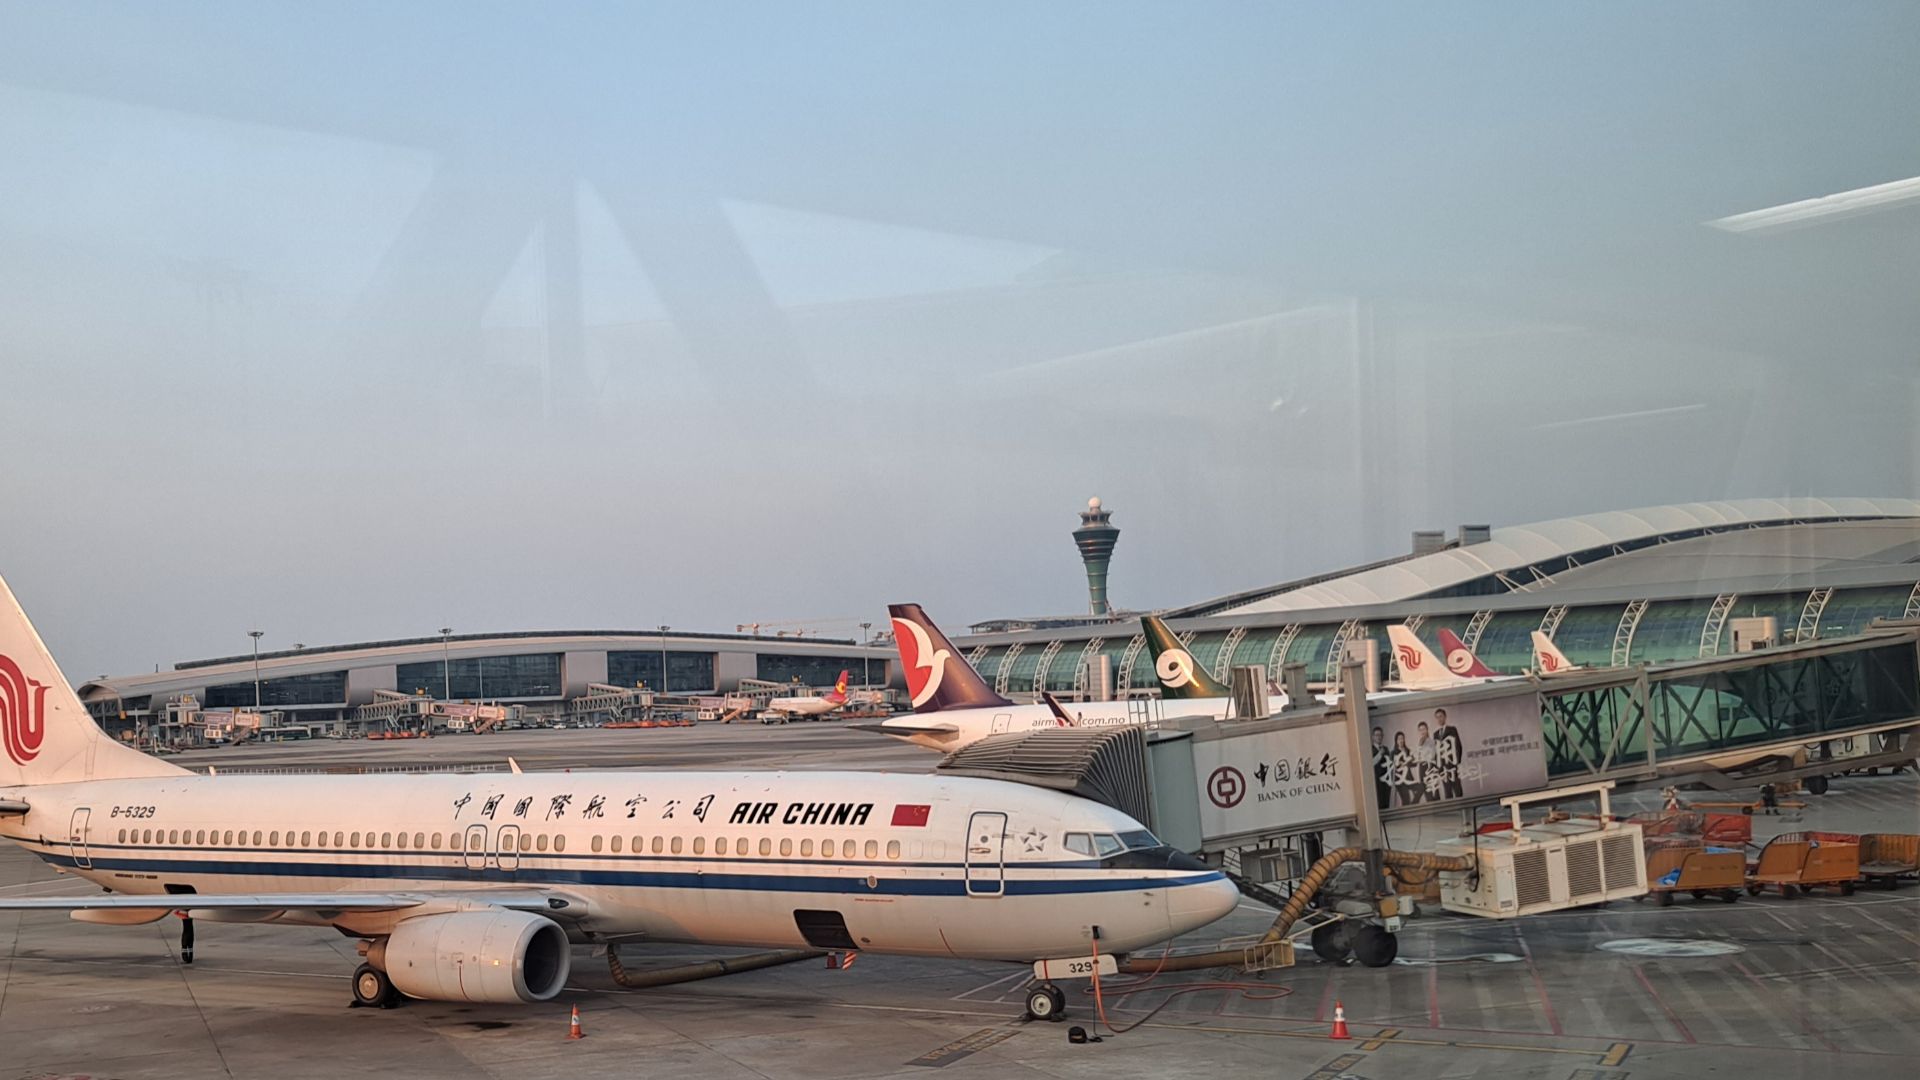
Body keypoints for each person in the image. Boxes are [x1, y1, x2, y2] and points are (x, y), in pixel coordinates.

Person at [1432, 707, 1464, 800]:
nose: (1439, 719)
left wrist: (1456, 762)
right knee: (1447, 790)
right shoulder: (1435, 734)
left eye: (1441, 716)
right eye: (1437, 717)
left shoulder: (1452, 729)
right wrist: (1438, 766)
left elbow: (1458, 746)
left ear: (1445, 717)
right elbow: (1436, 752)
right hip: (1442, 767)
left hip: (1452, 764)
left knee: (1457, 788)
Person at [1390, 731, 1420, 807]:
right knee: (1406, 800)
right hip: (1399, 780)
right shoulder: (1393, 753)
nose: (1401, 740)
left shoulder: (1408, 750)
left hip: (1409, 778)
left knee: (1421, 787)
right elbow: (1391, 767)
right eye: (1399, 739)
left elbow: (1414, 764)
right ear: (1396, 741)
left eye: (1402, 738)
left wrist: (1410, 760)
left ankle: (1413, 805)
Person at [1415, 721, 1437, 802]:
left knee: (1429, 789)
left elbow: (1432, 756)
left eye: (1423, 729)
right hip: (1421, 767)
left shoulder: (1431, 741)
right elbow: (1417, 756)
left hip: (1429, 767)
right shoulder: (1420, 741)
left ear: (1427, 729)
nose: (1422, 731)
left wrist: (1422, 758)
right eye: (1420, 730)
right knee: (1424, 788)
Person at [1370, 726, 1391, 810]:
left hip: (1386, 780)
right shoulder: (1370, 749)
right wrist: (1380, 754)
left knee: (1387, 801)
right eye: (1377, 735)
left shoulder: (1386, 749)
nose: (1379, 737)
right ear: (1373, 737)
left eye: (1380, 735)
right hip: (1376, 780)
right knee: (1379, 802)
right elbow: (1371, 763)